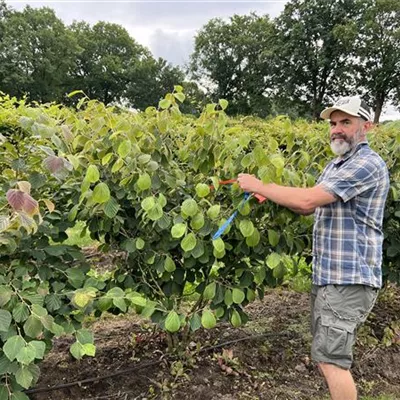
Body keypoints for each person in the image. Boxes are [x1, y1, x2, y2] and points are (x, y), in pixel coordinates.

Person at [237, 96, 390, 400]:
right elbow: (308, 206)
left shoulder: (366, 164)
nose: (337, 129)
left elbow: (307, 200)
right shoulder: (336, 165)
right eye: (333, 123)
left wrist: (258, 185)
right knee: (325, 357)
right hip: (329, 276)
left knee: (333, 362)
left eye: (346, 122)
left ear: (366, 126)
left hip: (349, 279)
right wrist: (273, 193)